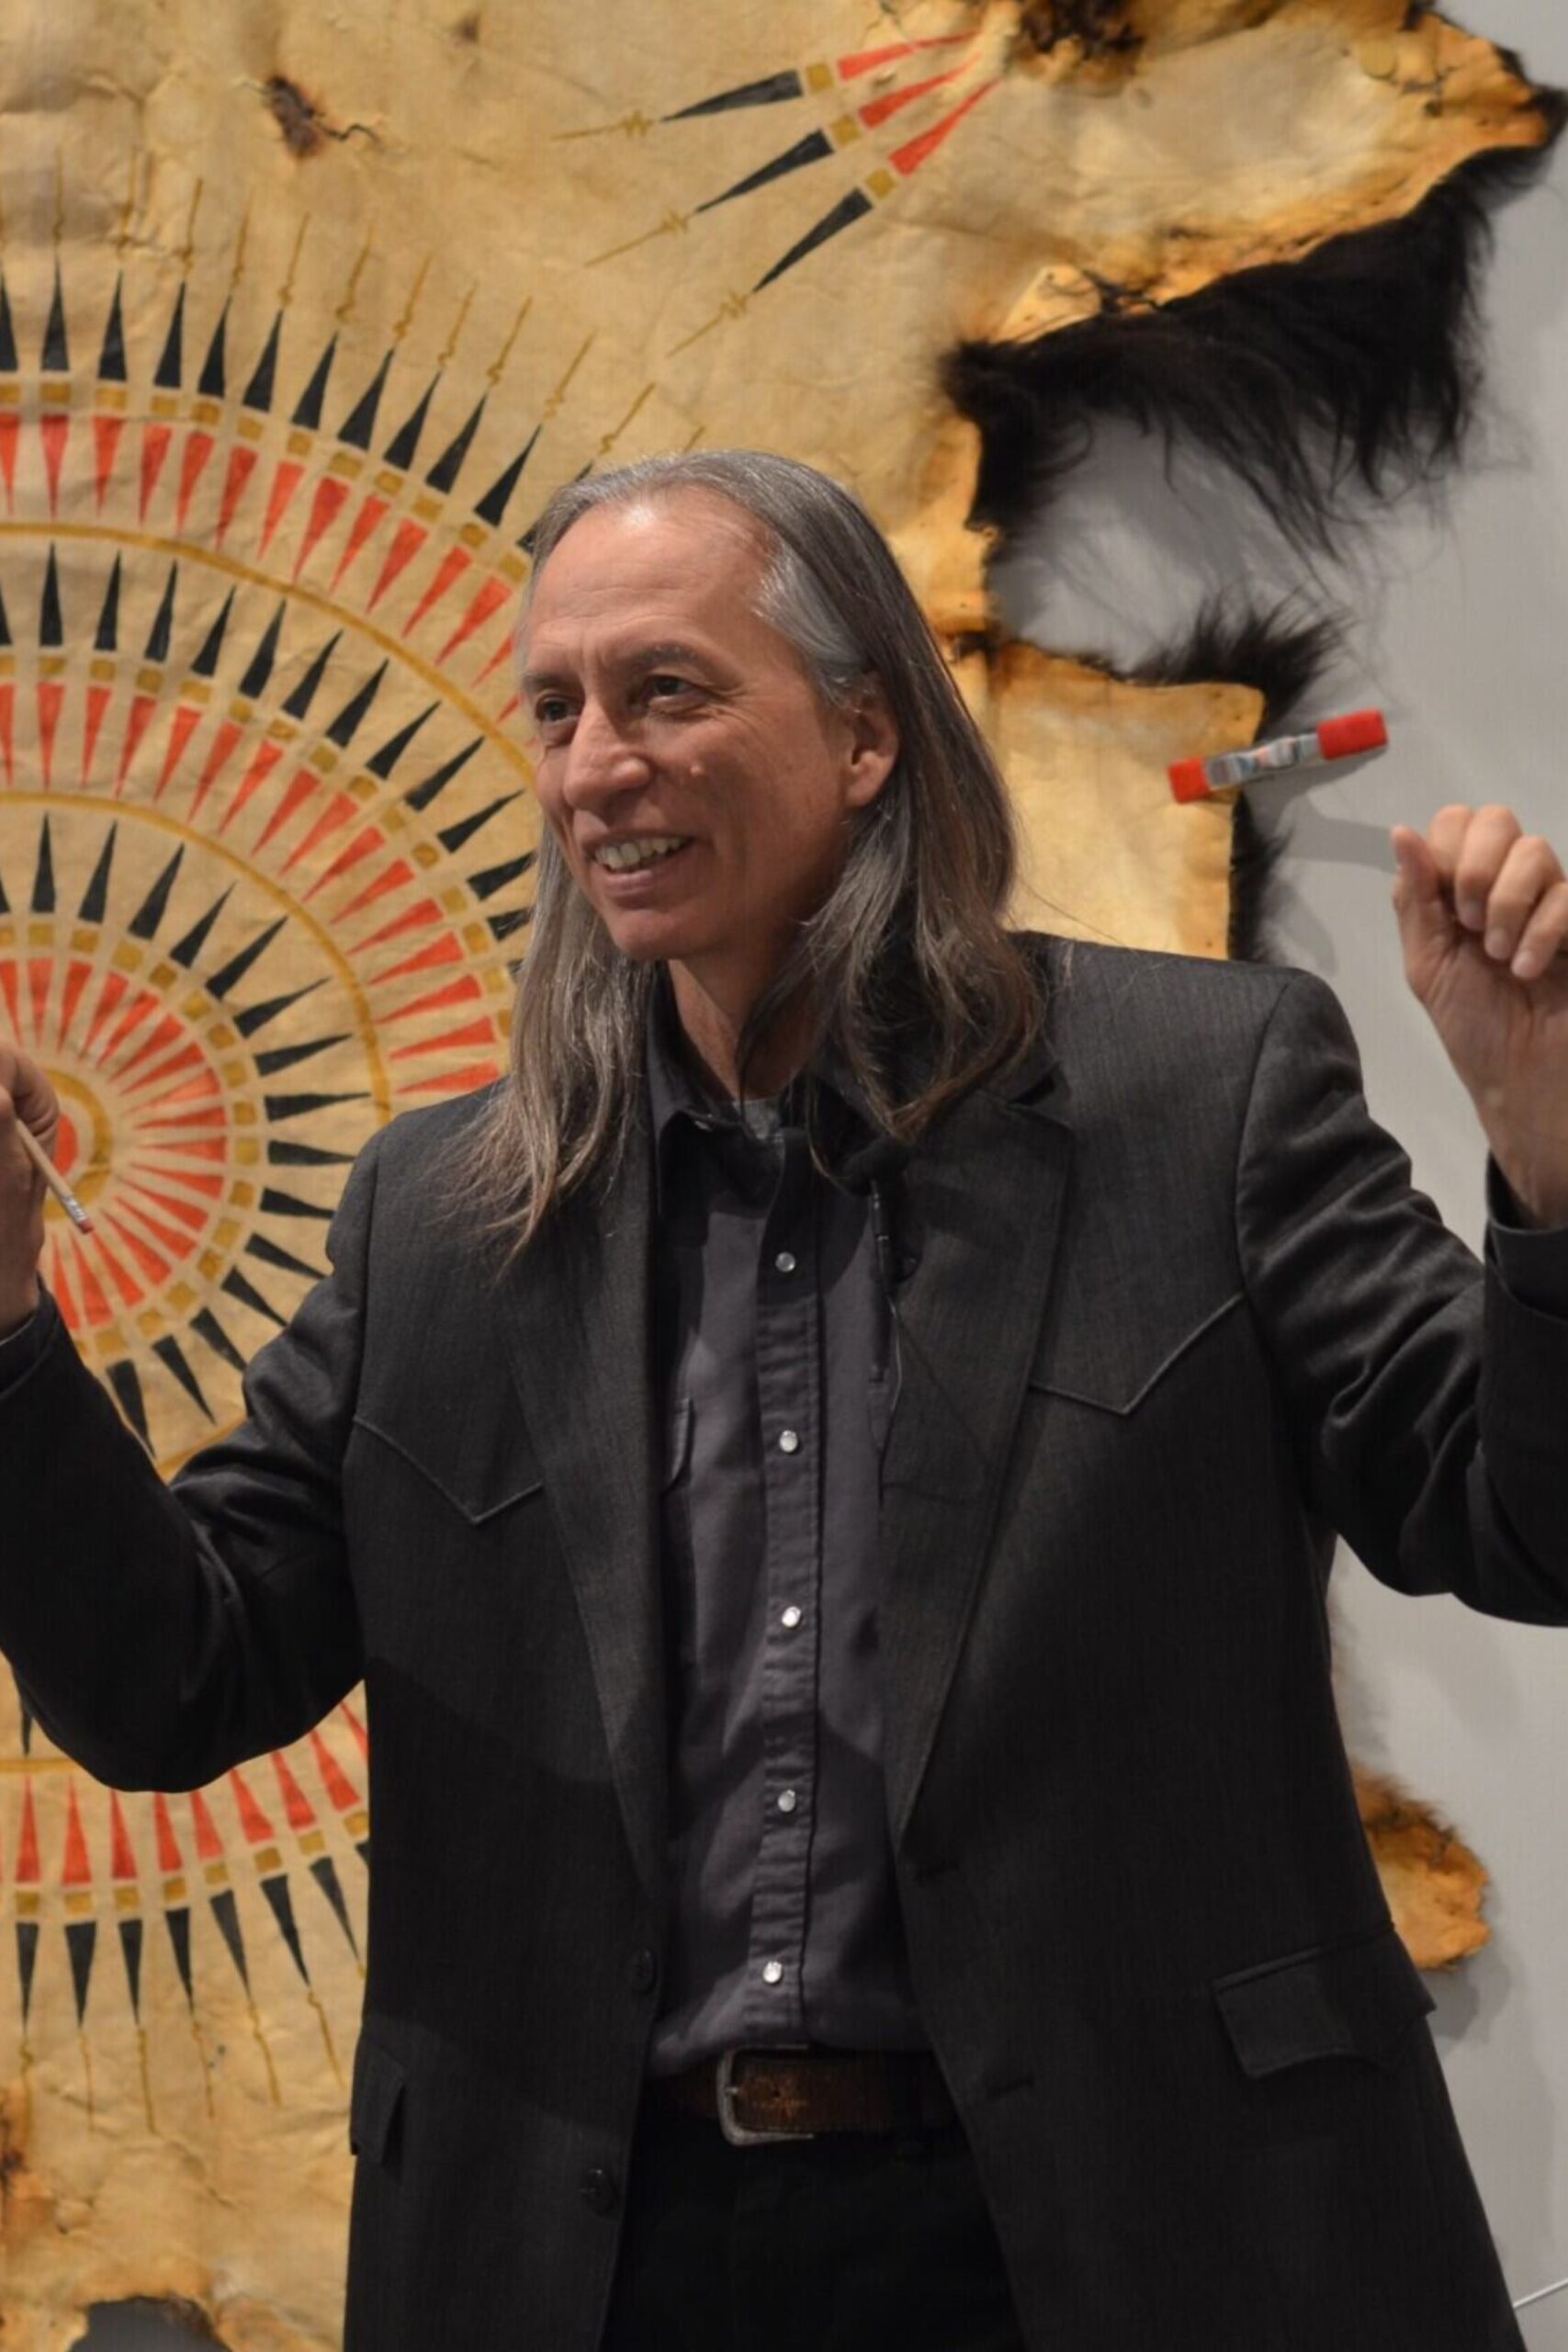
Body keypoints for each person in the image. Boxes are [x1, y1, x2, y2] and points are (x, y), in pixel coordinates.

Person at [2, 450, 1566, 2352]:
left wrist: (1546, 1172)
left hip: (1135, 2235)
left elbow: (1514, 1516)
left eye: (666, 688)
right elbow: (178, 1675)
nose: (594, 764)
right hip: (598, 2261)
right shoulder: (443, 1221)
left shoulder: (1200, 1096)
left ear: (862, 733)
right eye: (557, 708)